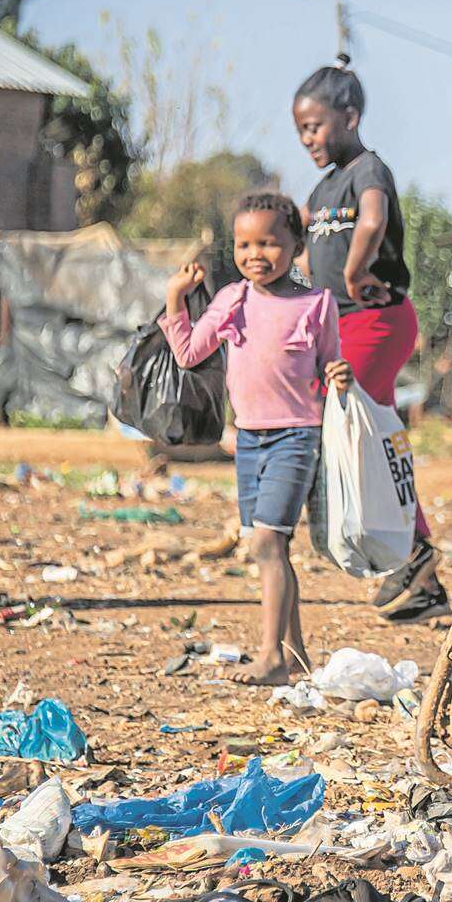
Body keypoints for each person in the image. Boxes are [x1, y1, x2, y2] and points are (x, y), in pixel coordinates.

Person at [161, 191, 349, 686]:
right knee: (272, 548)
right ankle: (296, 654)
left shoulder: (317, 304)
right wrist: (175, 298)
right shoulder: (232, 301)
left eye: (268, 243)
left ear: (295, 245)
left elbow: (331, 363)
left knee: (267, 542)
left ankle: (269, 657)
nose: (254, 255)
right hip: (248, 440)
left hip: (297, 436)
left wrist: (340, 375)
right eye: (244, 244)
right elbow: (187, 353)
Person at [292, 55, 449, 623]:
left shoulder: (368, 170)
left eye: (315, 126)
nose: (308, 139)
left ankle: (415, 552)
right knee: (370, 435)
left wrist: (357, 274)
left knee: (362, 427)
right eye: (300, 130)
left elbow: (373, 221)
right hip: (342, 325)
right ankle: (419, 569)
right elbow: (311, 253)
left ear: (350, 117)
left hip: (376, 319)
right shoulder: (322, 186)